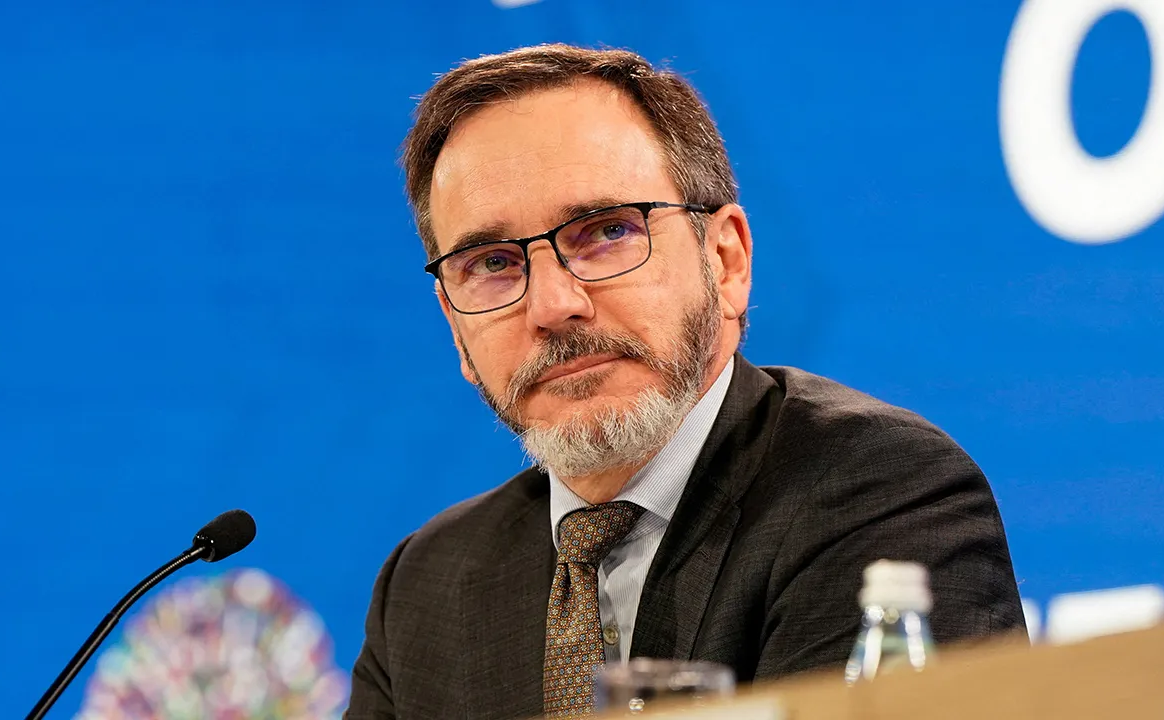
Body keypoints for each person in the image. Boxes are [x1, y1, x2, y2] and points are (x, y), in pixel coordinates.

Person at [346, 44, 1024, 719]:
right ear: (456, 330)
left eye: (606, 231)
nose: (553, 305)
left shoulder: (877, 492)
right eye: (492, 263)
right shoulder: (429, 582)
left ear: (725, 261)